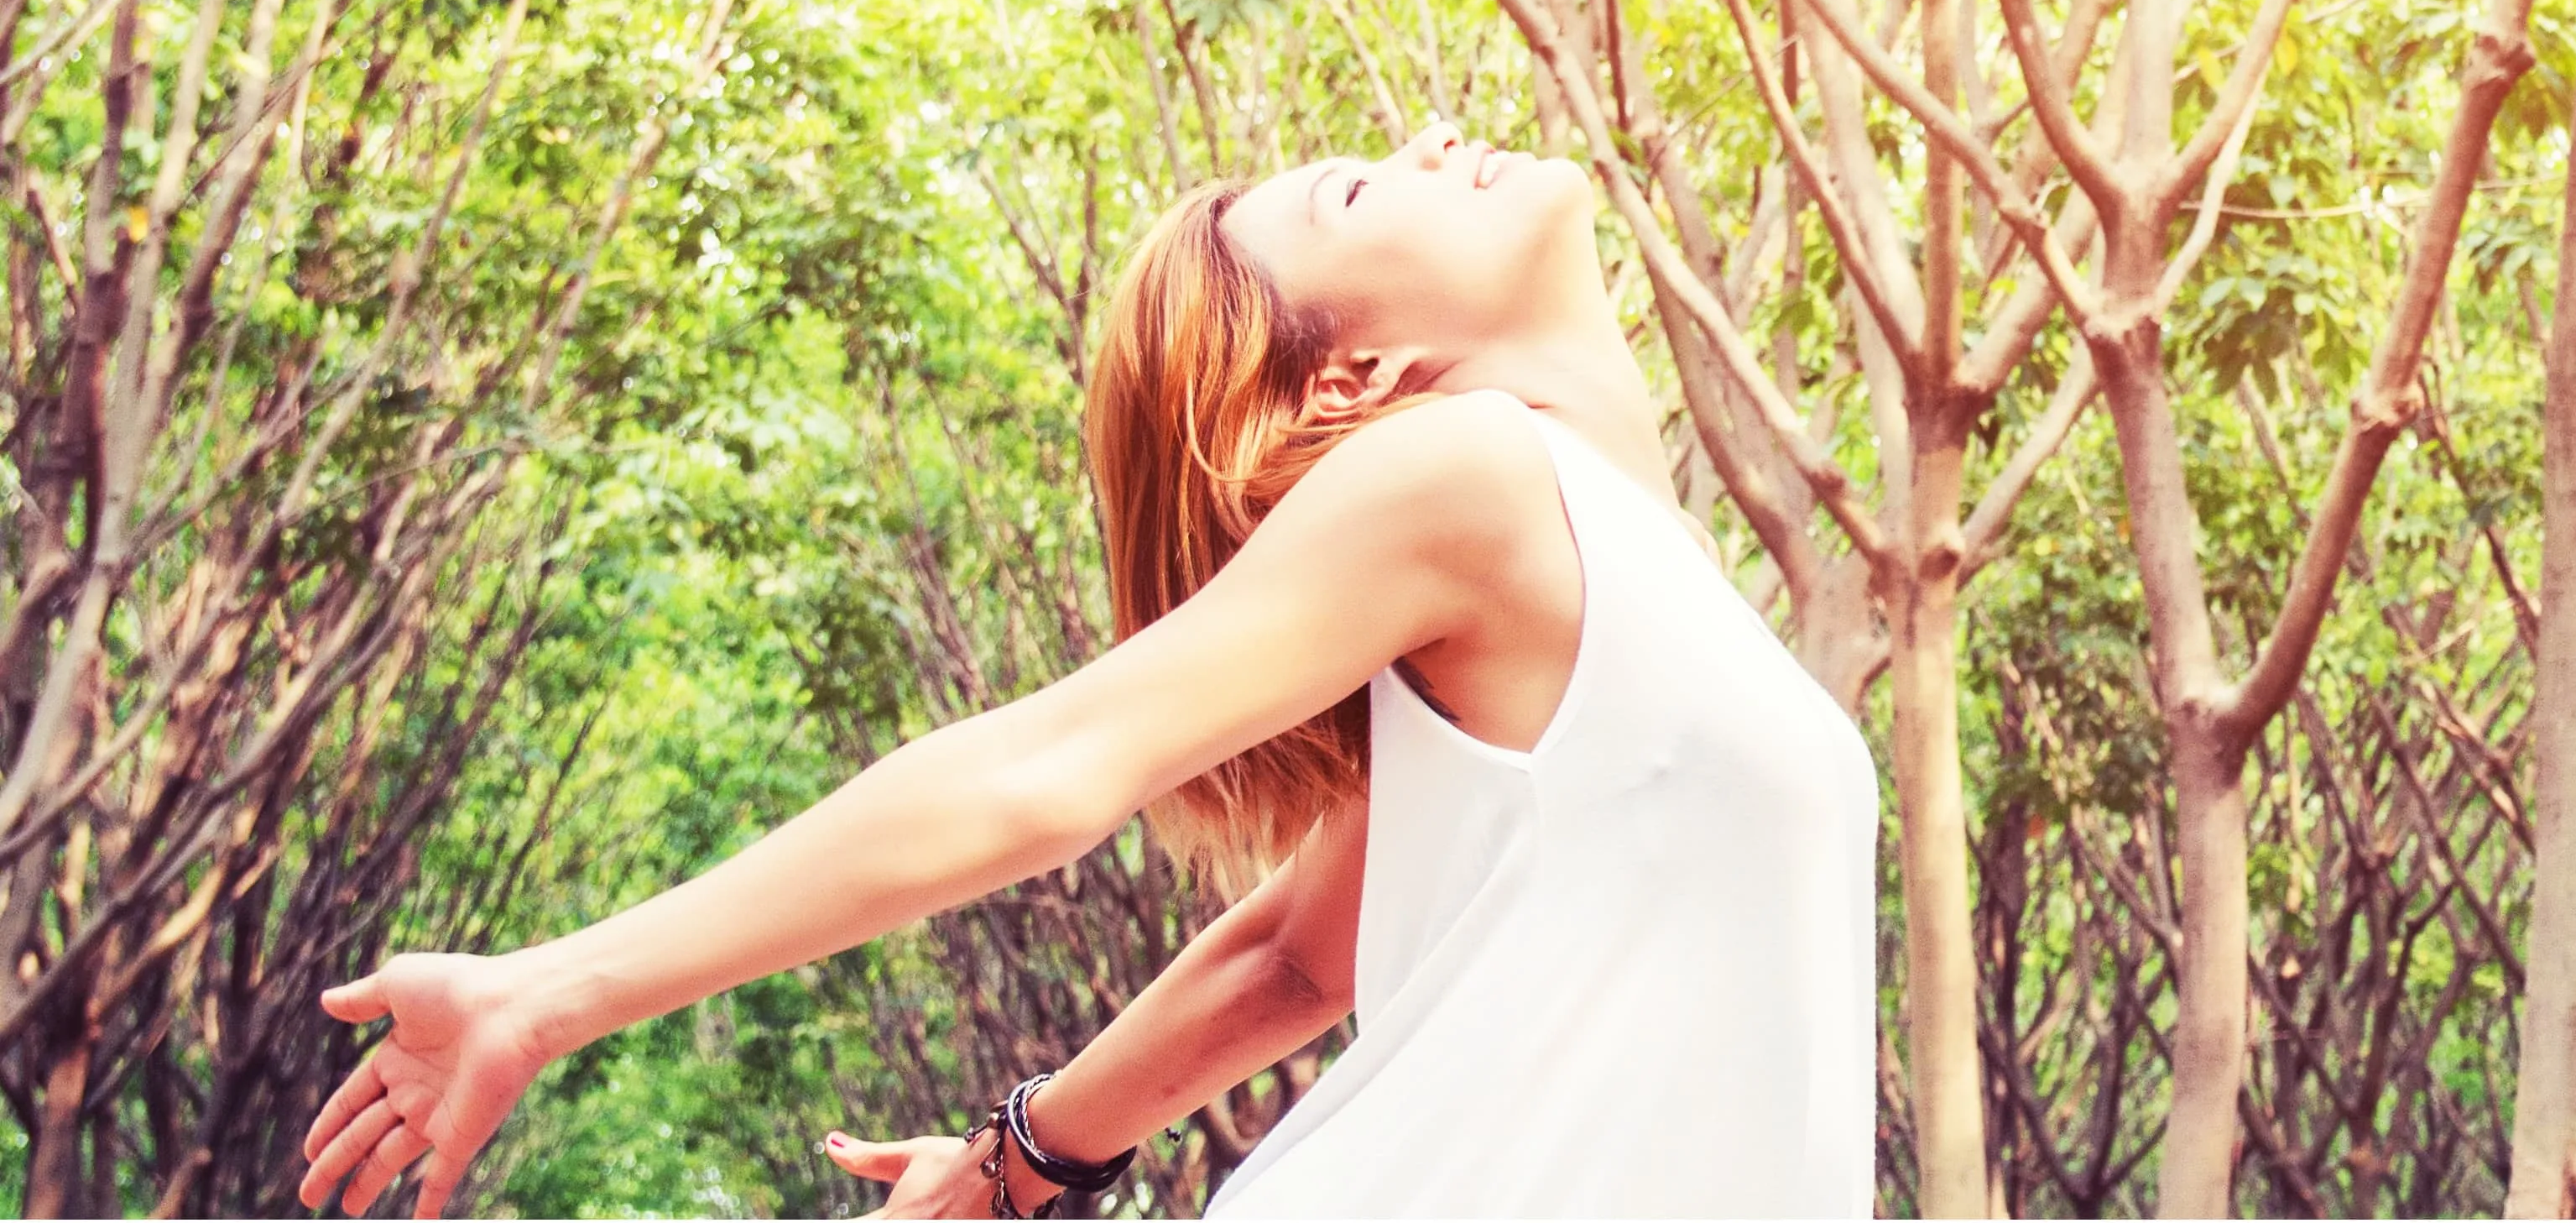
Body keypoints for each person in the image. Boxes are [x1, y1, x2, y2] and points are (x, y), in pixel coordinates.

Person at [295, 121, 1878, 1220]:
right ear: (1366, 377)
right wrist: (543, 994)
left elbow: (1295, 961)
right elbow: (1045, 770)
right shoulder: (1477, 481)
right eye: (1357, 191)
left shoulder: (1600, 566)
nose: (1431, 143)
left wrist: (1019, 1161)